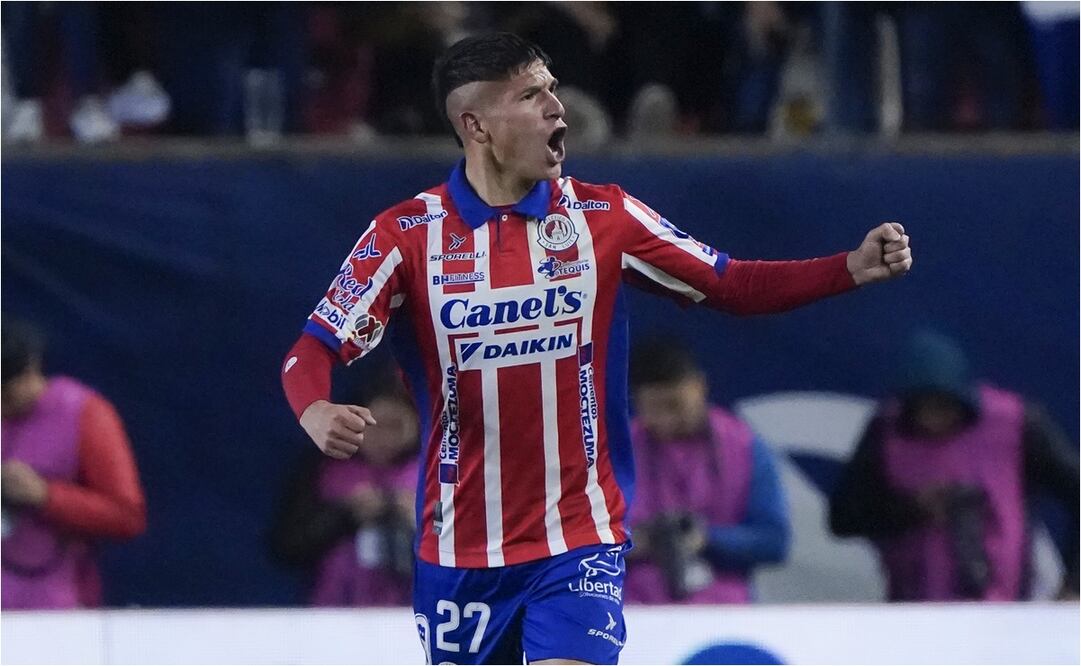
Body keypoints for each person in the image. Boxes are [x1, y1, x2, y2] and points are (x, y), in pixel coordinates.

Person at [280, 32, 912, 664]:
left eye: (553, 87)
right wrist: (316, 409)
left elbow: (734, 283)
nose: (558, 107)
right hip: (459, 551)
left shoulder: (605, 218)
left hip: (578, 538)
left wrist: (847, 268)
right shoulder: (405, 236)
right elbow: (313, 348)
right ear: (476, 125)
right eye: (532, 95)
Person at [828, 330, 1079, 602]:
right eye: (925, 408)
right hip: (913, 613)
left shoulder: (1017, 425)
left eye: (945, 407)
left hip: (1004, 611)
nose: (934, 420)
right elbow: (843, 518)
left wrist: (1073, 584)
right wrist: (912, 509)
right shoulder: (886, 430)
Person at [624, 340, 789, 604]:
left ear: (699, 386)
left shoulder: (746, 446)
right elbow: (582, 541)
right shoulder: (617, 451)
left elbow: (775, 542)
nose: (666, 419)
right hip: (635, 611)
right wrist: (633, 543)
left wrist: (706, 538)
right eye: (653, 409)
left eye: (676, 405)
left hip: (723, 612)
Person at [1, 318, 146, 609]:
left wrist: (45, 496)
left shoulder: (84, 414)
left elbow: (127, 516)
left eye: (5, 393)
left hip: (54, 609)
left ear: (31, 370)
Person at [270, 364, 420, 606]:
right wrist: (344, 515)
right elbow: (286, 546)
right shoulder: (324, 471)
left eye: (395, 427)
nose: (384, 438)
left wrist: (424, 522)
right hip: (333, 611)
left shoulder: (435, 474)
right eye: (372, 427)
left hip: (412, 612)